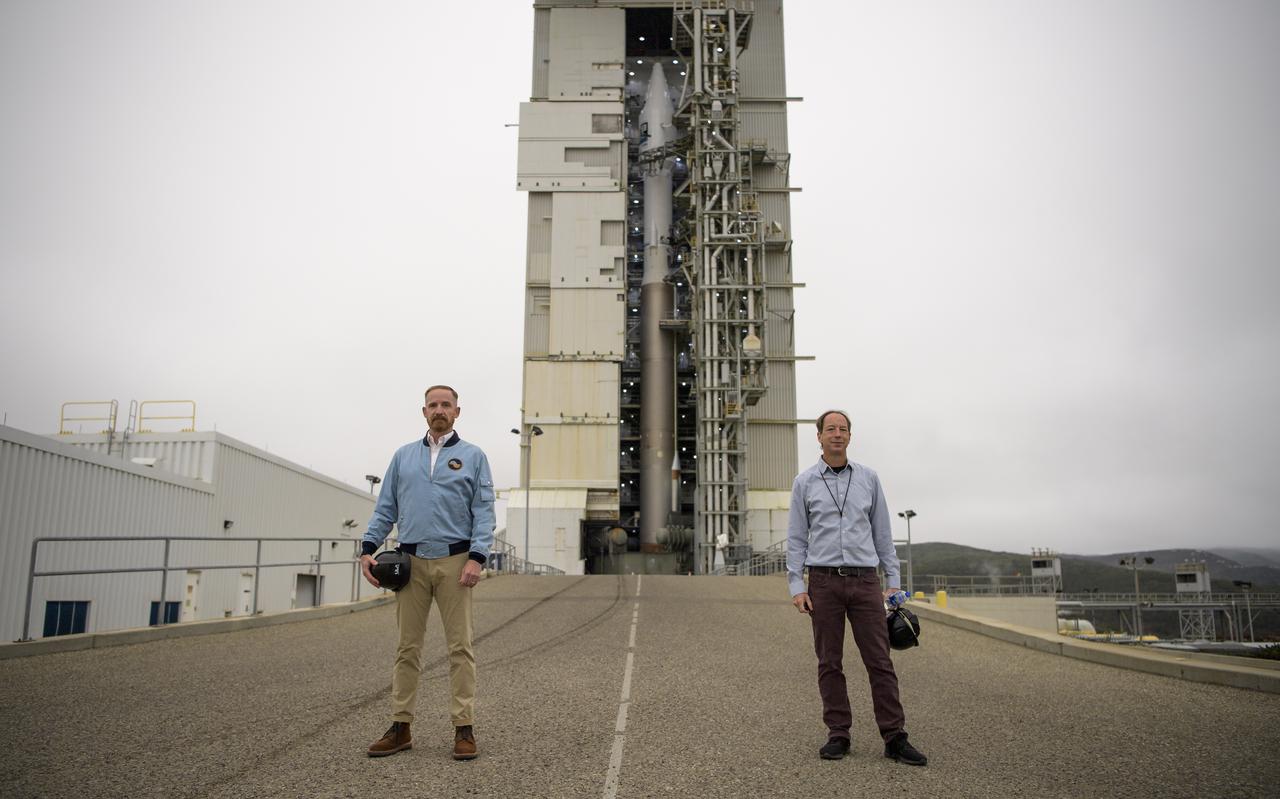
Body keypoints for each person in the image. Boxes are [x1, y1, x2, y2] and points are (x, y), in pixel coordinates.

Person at [359, 385, 496, 760]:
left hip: (456, 563)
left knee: (460, 647)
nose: (439, 410)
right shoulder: (403, 457)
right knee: (407, 648)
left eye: (446, 405)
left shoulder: (474, 456)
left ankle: (463, 729)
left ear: (457, 412)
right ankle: (401, 727)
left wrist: (477, 557)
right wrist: (367, 548)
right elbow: (386, 507)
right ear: (424, 412)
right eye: (433, 405)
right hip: (411, 563)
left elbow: (484, 511)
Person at [786, 409, 927, 766]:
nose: (837, 434)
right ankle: (838, 734)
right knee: (829, 662)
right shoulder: (804, 482)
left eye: (843, 429)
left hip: (866, 582)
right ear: (818, 436)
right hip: (822, 582)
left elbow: (882, 534)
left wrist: (893, 583)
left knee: (880, 662)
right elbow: (797, 538)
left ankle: (895, 737)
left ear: (850, 436)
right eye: (830, 429)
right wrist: (796, 585)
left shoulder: (868, 478)